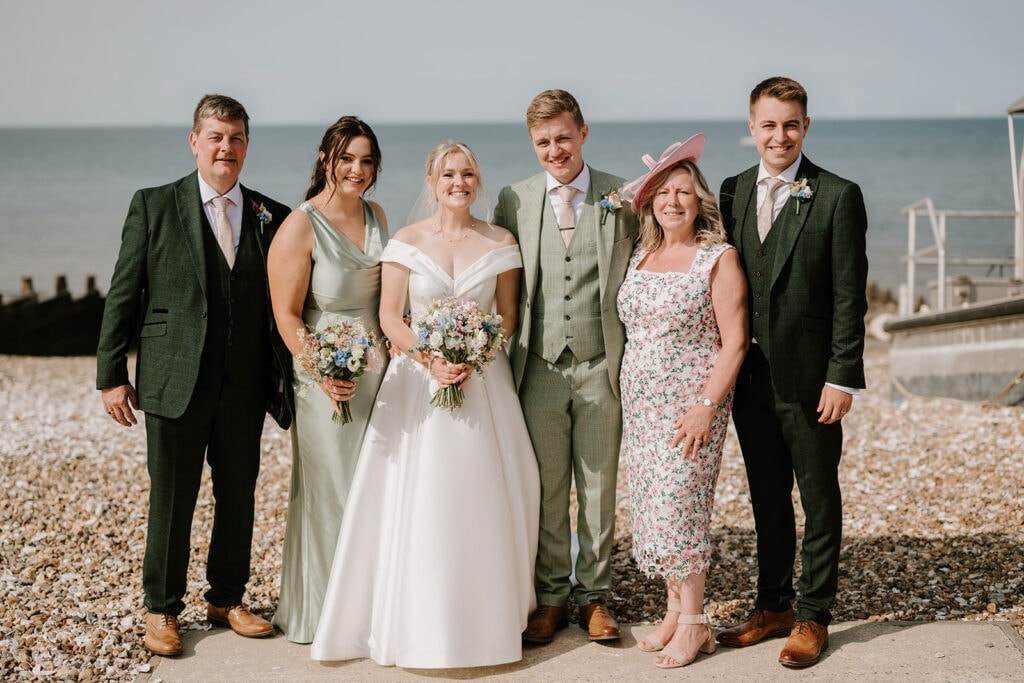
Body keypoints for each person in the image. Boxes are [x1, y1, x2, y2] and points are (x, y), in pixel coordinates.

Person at [310, 142, 540, 668]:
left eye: (467, 174)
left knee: (491, 489)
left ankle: (490, 614)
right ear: (432, 181)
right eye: (448, 174)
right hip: (418, 383)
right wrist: (432, 357)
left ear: (476, 180)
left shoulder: (500, 241)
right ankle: (414, 618)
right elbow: (391, 317)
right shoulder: (406, 242)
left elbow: (506, 317)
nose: (458, 182)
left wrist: (474, 353)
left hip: (482, 382)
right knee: (420, 495)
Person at [96, 94, 293, 657]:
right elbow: (124, 292)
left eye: (235, 138)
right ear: (194, 142)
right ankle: (161, 609)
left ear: (247, 146)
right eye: (215, 137)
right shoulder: (154, 205)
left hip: (244, 385)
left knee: (239, 496)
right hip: (172, 378)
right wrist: (111, 374)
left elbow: (281, 304)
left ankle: (227, 598)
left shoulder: (270, 215)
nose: (225, 148)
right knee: (173, 499)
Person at [716, 76, 868, 668]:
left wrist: (843, 376)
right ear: (751, 128)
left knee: (819, 497)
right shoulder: (730, 192)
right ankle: (773, 606)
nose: (779, 136)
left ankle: (814, 615)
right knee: (766, 498)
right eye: (768, 125)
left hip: (811, 381)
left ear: (805, 127)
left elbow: (849, 296)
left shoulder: (836, 195)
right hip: (748, 378)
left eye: (791, 124)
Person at [492, 89, 639, 644]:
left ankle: (595, 596)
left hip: (603, 364)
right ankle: (551, 595)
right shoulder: (513, 199)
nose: (555, 150)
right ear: (533, 145)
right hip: (539, 367)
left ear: (583, 133)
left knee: (599, 486)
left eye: (563, 137)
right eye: (543, 142)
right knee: (548, 487)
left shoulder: (621, 195)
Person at [616, 135, 749, 669]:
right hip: (642, 411)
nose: (674, 201)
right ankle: (674, 610)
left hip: (691, 408)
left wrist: (706, 405)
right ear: (650, 203)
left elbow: (735, 341)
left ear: (700, 202)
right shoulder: (643, 254)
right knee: (653, 510)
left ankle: (695, 624)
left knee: (681, 510)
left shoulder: (718, 259)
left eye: (685, 194)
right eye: (664, 193)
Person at [266, 116, 389, 644]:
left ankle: (374, 611)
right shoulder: (300, 225)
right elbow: (288, 315)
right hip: (325, 377)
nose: (356, 170)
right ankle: (327, 616)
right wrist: (323, 372)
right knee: (334, 488)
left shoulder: (378, 214)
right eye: (346, 159)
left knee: (378, 489)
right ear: (326, 160)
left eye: (365, 160)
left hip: (381, 374)